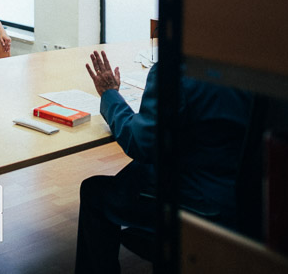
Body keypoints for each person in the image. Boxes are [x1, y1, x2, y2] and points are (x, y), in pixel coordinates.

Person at [76, 50, 252, 274]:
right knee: (136, 173)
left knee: (94, 192)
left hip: (195, 204)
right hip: (243, 197)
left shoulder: (177, 71)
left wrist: (110, 95)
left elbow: (140, 143)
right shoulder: (258, 68)